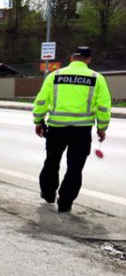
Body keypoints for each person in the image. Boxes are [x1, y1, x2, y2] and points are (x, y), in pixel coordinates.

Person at [34, 46, 111, 213]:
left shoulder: (55, 76)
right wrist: (102, 128)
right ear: (89, 59)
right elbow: (103, 107)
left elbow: (41, 101)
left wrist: (38, 121)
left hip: (56, 128)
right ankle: (65, 202)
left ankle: (48, 193)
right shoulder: (96, 78)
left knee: (52, 161)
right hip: (81, 131)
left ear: (72, 58)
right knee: (75, 167)